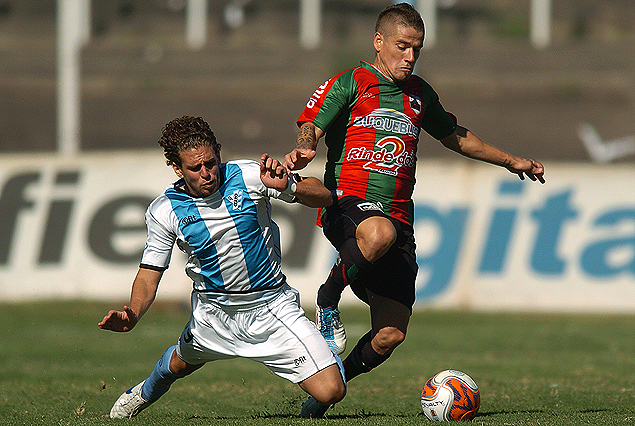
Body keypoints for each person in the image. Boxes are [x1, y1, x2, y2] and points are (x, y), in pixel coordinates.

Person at [285, 3, 545, 418]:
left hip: (398, 219)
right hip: (348, 203)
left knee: (390, 334)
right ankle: (326, 299)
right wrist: (305, 146)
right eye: (402, 46)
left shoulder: (419, 94)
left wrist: (511, 160)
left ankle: (326, 390)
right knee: (378, 233)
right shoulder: (351, 82)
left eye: (417, 49)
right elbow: (311, 123)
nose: (409, 56)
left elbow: (455, 136)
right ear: (379, 42)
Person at [98, 115, 346, 418]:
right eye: (195, 168)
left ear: (218, 153)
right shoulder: (165, 209)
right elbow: (150, 274)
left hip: (271, 306)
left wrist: (290, 188)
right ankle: (142, 392)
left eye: (211, 163)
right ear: (177, 168)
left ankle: (318, 376)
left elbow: (325, 197)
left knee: (333, 391)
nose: (207, 173)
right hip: (213, 313)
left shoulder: (251, 175)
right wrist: (133, 314)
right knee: (179, 365)